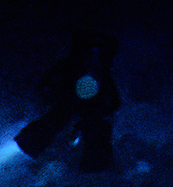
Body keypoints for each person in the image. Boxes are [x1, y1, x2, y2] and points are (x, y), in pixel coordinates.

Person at [14, 31, 121, 173]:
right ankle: (94, 168)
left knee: (61, 122)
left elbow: (47, 81)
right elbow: (114, 101)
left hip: (78, 104)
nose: (94, 57)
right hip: (76, 103)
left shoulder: (77, 66)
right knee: (59, 121)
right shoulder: (78, 67)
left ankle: (94, 168)